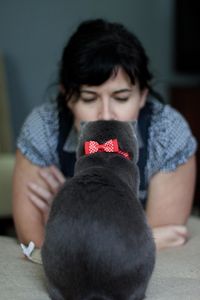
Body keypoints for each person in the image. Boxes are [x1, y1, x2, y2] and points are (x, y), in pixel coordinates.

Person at [12, 19, 197, 250]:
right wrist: (146, 237)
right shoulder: (42, 129)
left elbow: (155, 254)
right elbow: (33, 242)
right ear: (67, 96)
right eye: (89, 98)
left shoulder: (168, 134)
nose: (106, 115)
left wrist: (63, 223)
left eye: (121, 98)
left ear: (142, 96)